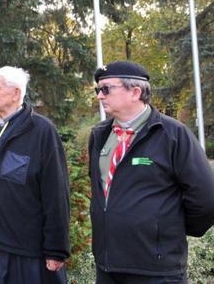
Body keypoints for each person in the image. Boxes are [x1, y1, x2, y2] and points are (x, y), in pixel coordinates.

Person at [89, 61, 214, 283]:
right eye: (98, 89)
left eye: (106, 89)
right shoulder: (99, 135)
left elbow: (206, 198)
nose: (100, 96)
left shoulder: (173, 134)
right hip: (108, 267)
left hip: (156, 271)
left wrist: (165, 231)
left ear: (135, 92)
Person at [0, 66, 70, 284]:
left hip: (27, 253)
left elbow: (56, 193)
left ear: (16, 93)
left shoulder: (42, 131)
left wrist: (56, 249)